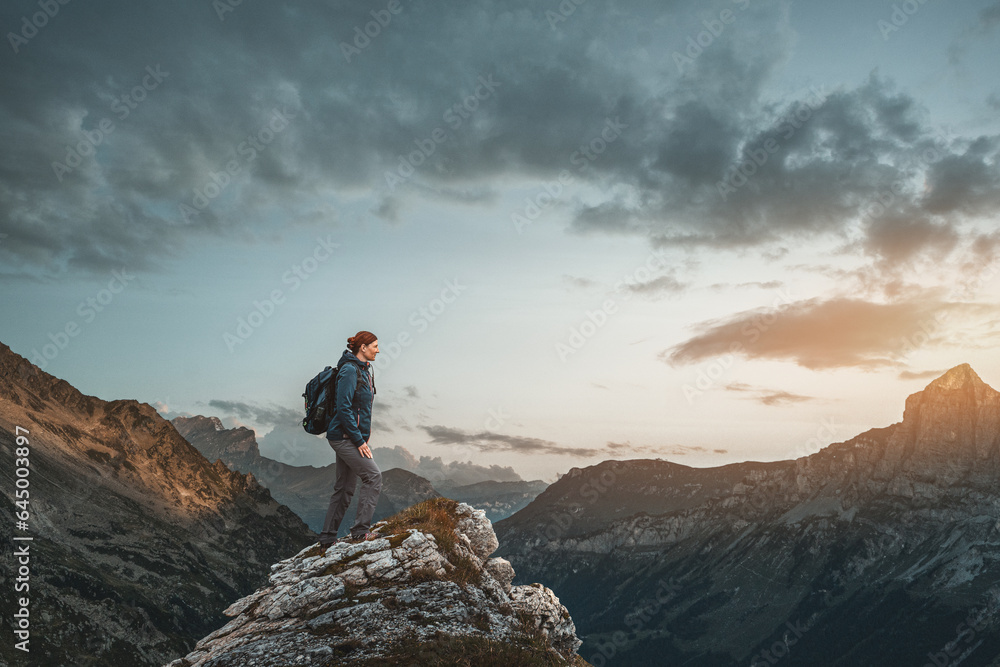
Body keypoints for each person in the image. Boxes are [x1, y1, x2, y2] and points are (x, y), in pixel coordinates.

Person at [318, 331, 382, 549]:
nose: (378, 349)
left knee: (345, 487)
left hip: (351, 437)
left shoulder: (364, 371)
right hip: (343, 437)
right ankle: (360, 532)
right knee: (373, 477)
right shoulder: (348, 370)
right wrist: (359, 441)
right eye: (374, 345)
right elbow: (344, 408)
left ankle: (327, 539)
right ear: (362, 348)